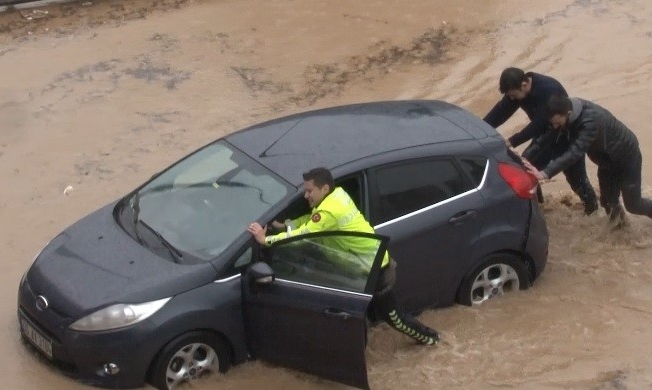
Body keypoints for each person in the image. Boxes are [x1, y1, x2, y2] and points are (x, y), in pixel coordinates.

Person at [247, 167, 441, 345]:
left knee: (395, 318)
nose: (306, 196)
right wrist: (287, 224)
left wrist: (265, 240)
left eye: (309, 191)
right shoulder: (336, 195)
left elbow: (304, 234)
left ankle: (431, 339)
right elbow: (312, 219)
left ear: (324, 188)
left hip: (374, 270)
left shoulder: (329, 210)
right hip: (366, 265)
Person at [484, 67, 598, 214]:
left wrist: (512, 141)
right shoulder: (518, 91)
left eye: (513, 95)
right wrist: (479, 128)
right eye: (509, 96)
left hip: (566, 137)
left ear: (524, 85)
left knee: (577, 180)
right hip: (544, 138)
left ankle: (593, 211)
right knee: (526, 169)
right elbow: (500, 112)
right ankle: (540, 209)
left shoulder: (548, 89)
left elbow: (540, 122)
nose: (512, 99)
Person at [524, 95, 652, 225]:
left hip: (627, 156)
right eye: (553, 123)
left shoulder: (590, 122)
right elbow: (545, 136)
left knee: (633, 205)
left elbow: (575, 152)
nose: (555, 127)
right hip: (606, 159)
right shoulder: (563, 115)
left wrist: (545, 173)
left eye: (558, 123)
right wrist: (525, 158)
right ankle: (622, 232)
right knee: (607, 202)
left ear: (569, 114)